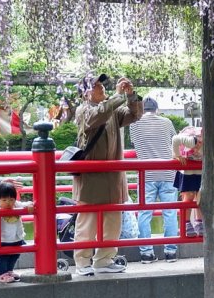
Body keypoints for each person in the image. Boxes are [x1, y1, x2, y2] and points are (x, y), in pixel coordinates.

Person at [71, 73, 143, 276]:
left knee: (113, 221)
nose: (100, 87)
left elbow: (135, 115)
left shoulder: (111, 109)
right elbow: (98, 115)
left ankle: (105, 259)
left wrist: (131, 95)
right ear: (85, 92)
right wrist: (118, 96)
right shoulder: (83, 110)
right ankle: (82, 261)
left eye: (100, 84)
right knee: (87, 222)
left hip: (112, 175)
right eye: (95, 85)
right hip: (91, 176)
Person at [130, 97, 179, 263]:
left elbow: (134, 143)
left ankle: (146, 253)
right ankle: (170, 251)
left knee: (144, 213)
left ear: (142, 109)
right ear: (156, 109)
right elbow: (176, 142)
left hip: (146, 174)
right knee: (170, 213)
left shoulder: (134, 123)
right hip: (167, 173)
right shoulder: (166, 122)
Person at [0, 179, 33, 284]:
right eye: (4, 200)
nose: (8, 203)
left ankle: (10, 271)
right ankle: (2, 274)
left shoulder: (17, 205)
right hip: (4, 239)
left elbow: (26, 203)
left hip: (17, 238)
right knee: (4, 257)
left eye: (11, 199)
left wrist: (29, 206)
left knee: (15, 255)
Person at [172, 126, 203, 237]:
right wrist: (177, 155)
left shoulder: (210, 142)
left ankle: (199, 222)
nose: (199, 145)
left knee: (201, 196)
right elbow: (175, 139)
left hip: (201, 170)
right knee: (188, 196)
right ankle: (185, 224)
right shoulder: (190, 139)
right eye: (198, 142)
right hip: (187, 169)